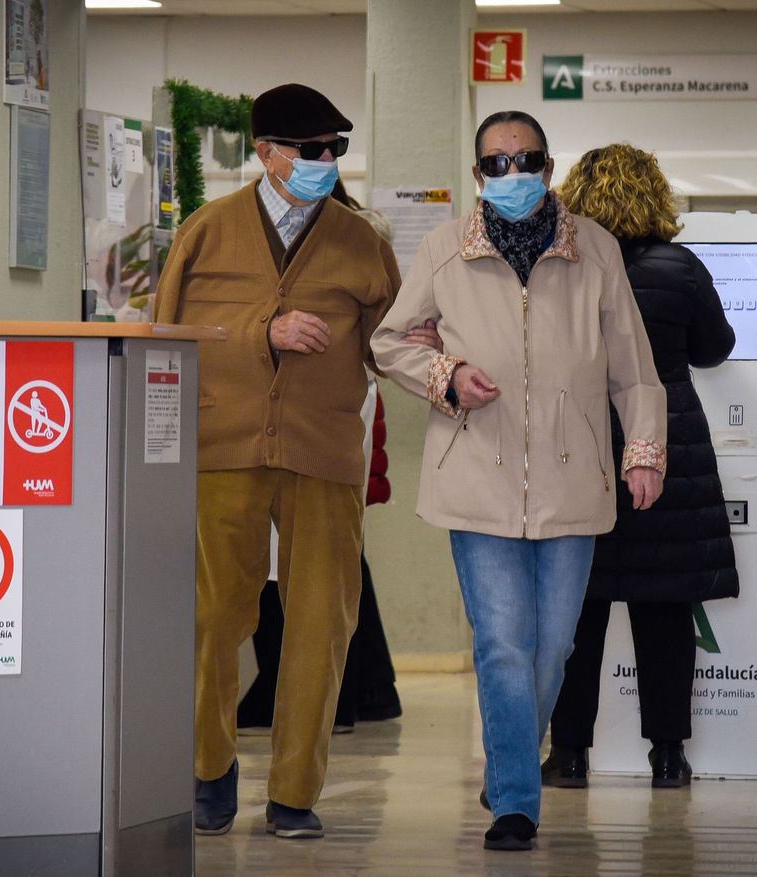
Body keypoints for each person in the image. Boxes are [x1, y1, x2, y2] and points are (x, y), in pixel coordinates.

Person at [372, 111, 667, 852]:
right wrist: (445, 375)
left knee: (555, 647)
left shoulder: (594, 249)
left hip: (574, 483)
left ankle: (508, 761)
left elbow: (635, 370)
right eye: (497, 164)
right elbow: (388, 343)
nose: (513, 174)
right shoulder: (444, 249)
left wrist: (644, 452)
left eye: (526, 159)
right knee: (503, 642)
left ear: (547, 164)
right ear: (478, 176)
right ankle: (514, 799)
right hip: (476, 475)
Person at [153, 82, 401, 840]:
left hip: (323, 453)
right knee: (212, 615)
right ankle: (208, 766)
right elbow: (169, 336)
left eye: (337, 150)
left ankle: (295, 788)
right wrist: (263, 327)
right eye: (312, 150)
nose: (328, 162)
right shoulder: (207, 232)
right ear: (264, 153)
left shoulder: (363, 243)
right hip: (222, 448)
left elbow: (396, 340)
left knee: (324, 620)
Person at [538, 143, 739, 791]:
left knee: (577, 611)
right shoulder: (680, 268)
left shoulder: (559, 266)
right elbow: (716, 347)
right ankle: (668, 757)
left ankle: (568, 755)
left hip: (579, 445)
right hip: (665, 446)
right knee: (665, 612)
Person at [237, 374, 404, 734]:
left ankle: (335, 697)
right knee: (333, 560)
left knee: (315, 562)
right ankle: (362, 691)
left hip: (318, 416)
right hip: (319, 410)